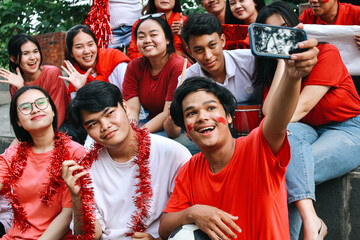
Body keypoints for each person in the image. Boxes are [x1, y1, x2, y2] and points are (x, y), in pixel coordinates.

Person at [158, 35, 319, 239]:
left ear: (229, 116)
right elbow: (165, 227)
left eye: (210, 108)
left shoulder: (257, 147)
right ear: (186, 130)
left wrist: (292, 76)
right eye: (191, 113)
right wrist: (193, 212)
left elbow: (278, 119)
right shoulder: (190, 170)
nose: (202, 117)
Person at [255, 1, 360, 240]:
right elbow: (271, 115)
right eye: (274, 33)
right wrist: (282, 60)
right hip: (308, 130)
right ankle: (312, 223)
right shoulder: (273, 69)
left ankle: (305, 227)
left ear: (297, 28)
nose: (282, 36)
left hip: (348, 128)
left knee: (285, 172)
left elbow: (300, 107)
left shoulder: (325, 53)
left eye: (285, 28)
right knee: (287, 138)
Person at [62, 81, 191, 240]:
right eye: (93, 124)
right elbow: (90, 235)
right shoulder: (86, 168)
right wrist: (77, 197)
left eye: (109, 113)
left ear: (124, 106)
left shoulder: (173, 154)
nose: (105, 126)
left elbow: (188, 218)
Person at [0, 85, 85, 239]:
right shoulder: (12, 154)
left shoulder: (74, 152)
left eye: (41, 103)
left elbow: (68, 214)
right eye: (25, 107)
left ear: (53, 111)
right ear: (18, 121)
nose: (34, 109)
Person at [163, 13, 263, 139]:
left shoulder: (251, 61)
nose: (208, 56)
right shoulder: (188, 78)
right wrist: (173, 116)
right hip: (214, 138)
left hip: (258, 133)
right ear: (189, 51)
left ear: (222, 41)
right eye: (199, 50)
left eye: (212, 46)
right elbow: (172, 133)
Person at [123, 16, 190, 134]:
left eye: (153, 35)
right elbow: (132, 109)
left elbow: (167, 113)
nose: (147, 40)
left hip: (179, 126)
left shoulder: (178, 66)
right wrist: (130, 131)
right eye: (141, 36)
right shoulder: (133, 66)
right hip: (150, 122)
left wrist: (138, 135)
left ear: (167, 39)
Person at [0, 34, 70, 128]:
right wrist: (20, 88)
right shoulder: (15, 84)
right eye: (25, 53)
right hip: (35, 129)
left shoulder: (52, 73)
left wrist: (22, 89)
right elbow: (21, 120)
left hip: (62, 127)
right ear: (13, 59)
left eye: (35, 51)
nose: (32, 57)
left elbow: (57, 117)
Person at [61, 24, 130, 99]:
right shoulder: (75, 80)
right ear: (71, 52)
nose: (87, 51)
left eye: (90, 45)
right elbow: (83, 110)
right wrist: (80, 90)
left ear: (96, 45)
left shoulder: (114, 59)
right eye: (79, 47)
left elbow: (132, 96)